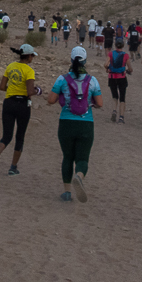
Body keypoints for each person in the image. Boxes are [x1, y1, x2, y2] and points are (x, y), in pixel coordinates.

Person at [47, 46, 102, 202]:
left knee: (67, 157)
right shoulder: (92, 81)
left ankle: (67, 192)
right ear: (85, 62)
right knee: (83, 159)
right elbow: (100, 103)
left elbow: (50, 100)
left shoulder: (62, 79)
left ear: (71, 60)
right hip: (86, 123)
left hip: (66, 122)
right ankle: (79, 175)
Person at [0, 44, 42, 177]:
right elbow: (30, 91)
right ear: (29, 56)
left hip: (9, 102)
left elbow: (2, 87)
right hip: (22, 105)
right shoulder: (29, 70)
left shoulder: (11, 66)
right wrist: (38, 90)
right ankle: (13, 167)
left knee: (6, 135)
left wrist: (13, 88)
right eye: (32, 56)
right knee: (20, 137)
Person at [106, 40, 132, 123]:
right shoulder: (126, 55)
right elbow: (130, 68)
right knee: (122, 97)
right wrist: (128, 71)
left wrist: (107, 69)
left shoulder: (110, 54)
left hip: (112, 77)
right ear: (123, 46)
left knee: (114, 96)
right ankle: (121, 117)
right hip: (122, 77)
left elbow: (106, 64)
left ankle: (114, 110)